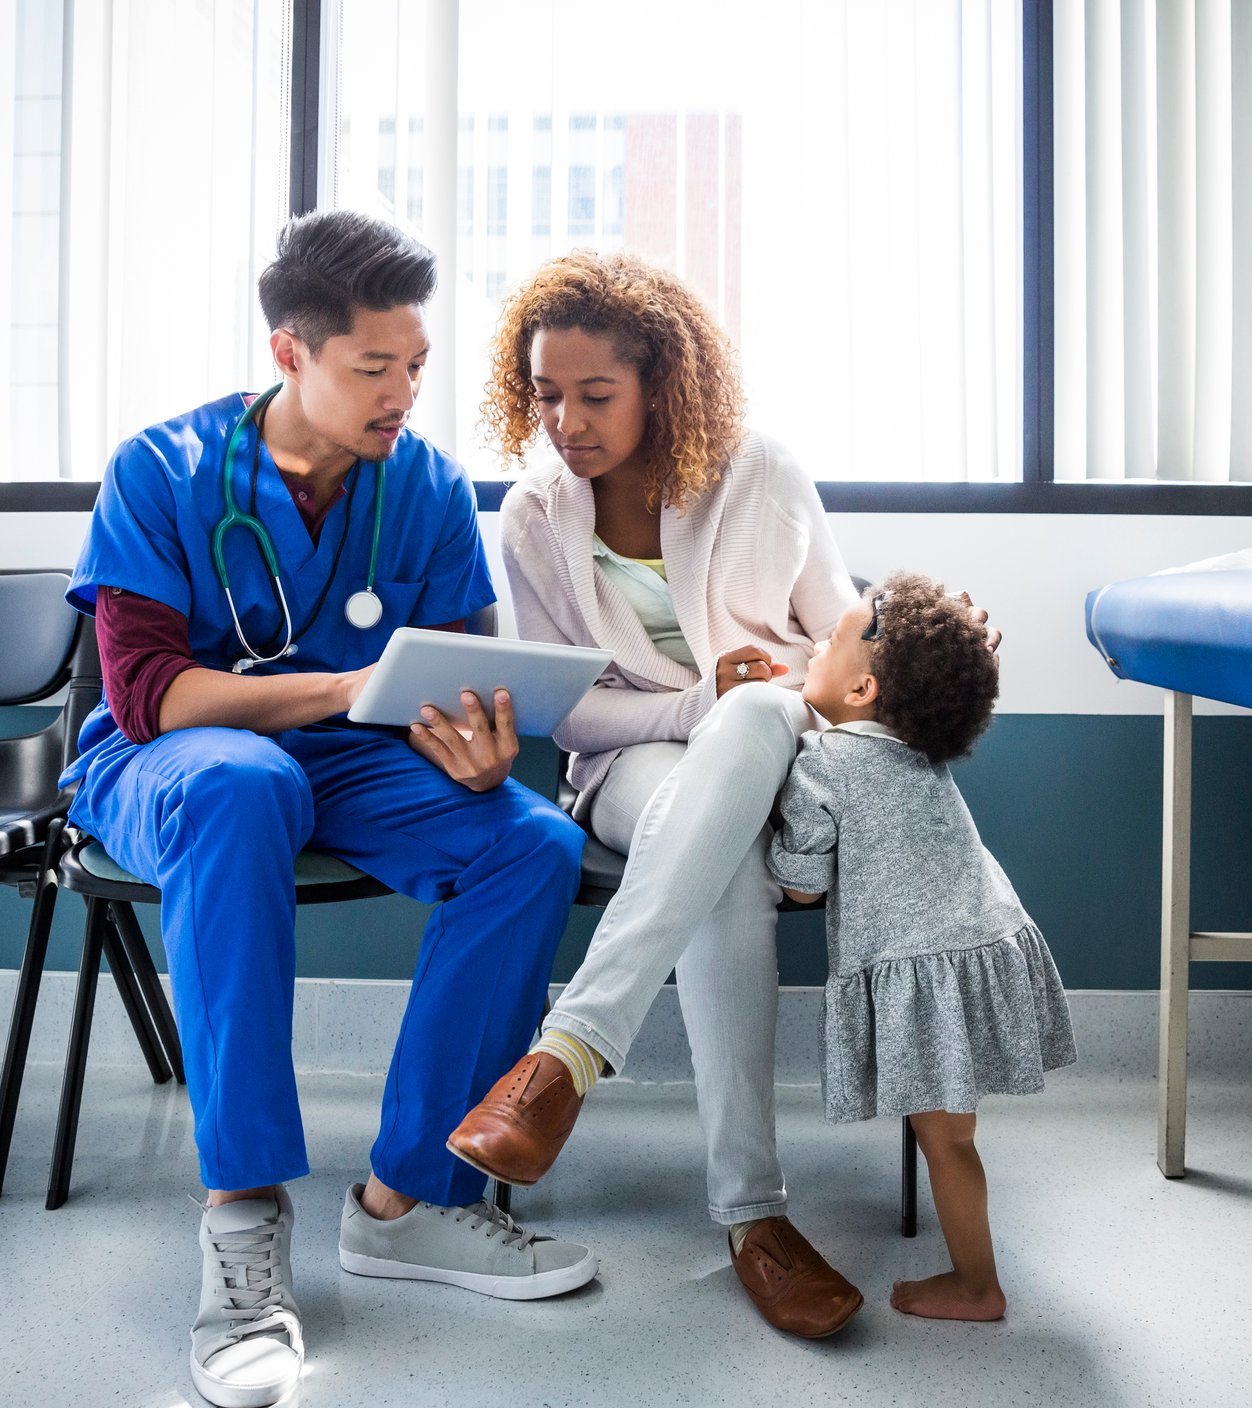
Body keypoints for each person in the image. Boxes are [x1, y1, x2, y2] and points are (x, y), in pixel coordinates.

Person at [59, 211, 595, 1408]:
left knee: (531, 842)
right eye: (373, 367)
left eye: (416, 364)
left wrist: (472, 749)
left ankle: (409, 1201)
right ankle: (243, 1217)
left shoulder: (425, 487)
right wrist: (342, 690)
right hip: (169, 764)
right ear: (290, 353)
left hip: (349, 763)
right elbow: (149, 695)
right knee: (244, 783)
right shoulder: (162, 469)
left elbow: (447, 679)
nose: (403, 393)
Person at [447, 250, 994, 1339]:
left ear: (660, 382)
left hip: (783, 750)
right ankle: (754, 1215)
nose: (565, 422)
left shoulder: (761, 475)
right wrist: (697, 703)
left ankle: (565, 1056)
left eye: (595, 394)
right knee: (725, 837)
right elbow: (571, 713)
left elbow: (843, 644)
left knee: (751, 723)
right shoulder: (533, 516)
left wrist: (947, 642)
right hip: (630, 767)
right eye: (545, 395)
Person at [766, 573, 1077, 1321]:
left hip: (926, 967)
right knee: (955, 1138)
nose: (814, 645)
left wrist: (771, 831)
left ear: (863, 688)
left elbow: (800, 888)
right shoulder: (919, 748)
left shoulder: (823, 764)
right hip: (982, 942)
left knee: (948, 1145)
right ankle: (976, 1278)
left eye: (830, 641)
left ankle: (977, 1286)